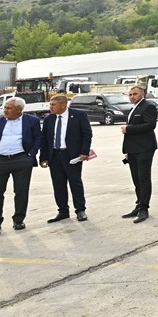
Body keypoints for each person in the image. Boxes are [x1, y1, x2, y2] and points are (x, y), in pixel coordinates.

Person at [0, 96, 42, 231]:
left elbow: (38, 138)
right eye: (4, 108)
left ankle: (19, 220)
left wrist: (30, 155)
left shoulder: (32, 121)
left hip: (21, 160)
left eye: (8, 108)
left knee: (21, 191)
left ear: (19, 109)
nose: (5, 110)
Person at [39, 94, 92, 223]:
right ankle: (63, 211)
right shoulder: (49, 119)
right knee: (58, 184)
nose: (50, 107)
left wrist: (84, 152)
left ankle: (80, 210)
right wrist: (43, 157)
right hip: (55, 156)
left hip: (71, 155)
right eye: (50, 104)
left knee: (75, 182)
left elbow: (87, 134)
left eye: (53, 104)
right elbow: (45, 139)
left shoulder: (78, 115)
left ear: (63, 105)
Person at [120, 85, 158, 223]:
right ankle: (139, 204)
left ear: (143, 94)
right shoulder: (134, 108)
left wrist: (129, 129)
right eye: (130, 94)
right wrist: (128, 151)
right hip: (133, 150)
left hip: (144, 148)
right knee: (136, 179)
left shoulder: (148, 106)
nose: (132, 96)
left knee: (143, 179)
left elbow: (150, 125)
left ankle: (144, 208)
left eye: (135, 94)